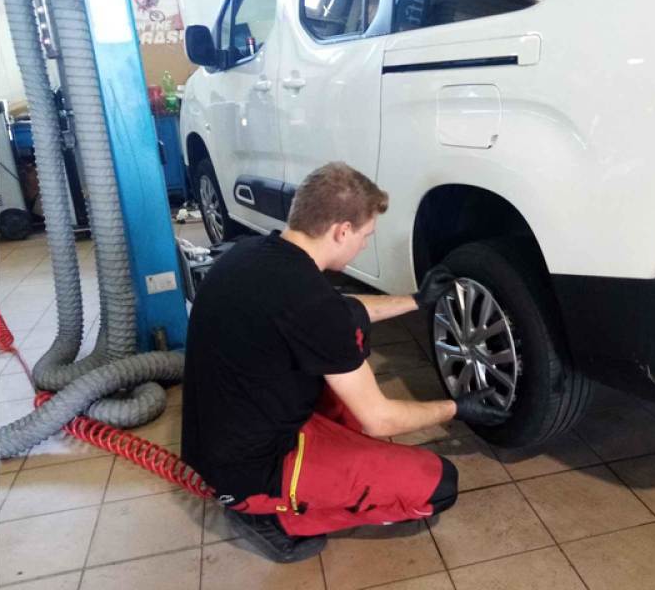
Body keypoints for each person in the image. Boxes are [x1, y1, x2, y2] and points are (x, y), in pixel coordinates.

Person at [181, 162, 508, 563]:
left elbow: (340, 310)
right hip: (252, 471)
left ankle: (314, 466)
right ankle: (270, 515)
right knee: (438, 485)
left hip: (220, 437)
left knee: (351, 331)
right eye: (366, 235)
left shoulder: (255, 254)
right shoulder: (311, 303)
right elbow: (379, 420)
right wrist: (457, 408)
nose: (365, 245)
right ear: (341, 231)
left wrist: (416, 301)